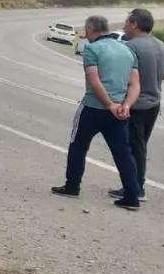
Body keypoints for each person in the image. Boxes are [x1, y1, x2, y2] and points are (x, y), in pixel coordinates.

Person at [52, 15, 144, 210]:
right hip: (119, 110)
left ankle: (72, 185)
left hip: (94, 107)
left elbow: (94, 81)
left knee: (78, 145)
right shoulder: (128, 50)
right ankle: (132, 195)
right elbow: (135, 84)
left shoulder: (92, 49)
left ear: (89, 30)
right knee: (123, 153)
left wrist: (108, 104)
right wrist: (126, 105)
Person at [118, 8, 164, 202]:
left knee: (134, 148)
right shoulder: (160, 45)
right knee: (139, 146)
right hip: (154, 104)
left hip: (136, 105)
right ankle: (132, 185)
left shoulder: (130, 47)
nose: (124, 25)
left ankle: (137, 189)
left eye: (126, 22)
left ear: (135, 24)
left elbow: (122, 75)